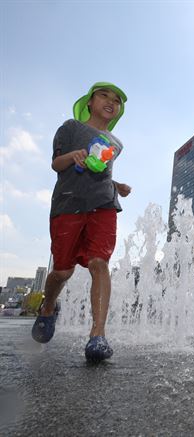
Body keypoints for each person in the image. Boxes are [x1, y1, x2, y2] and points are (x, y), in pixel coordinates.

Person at [31, 82, 132, 362]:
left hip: (104, 204)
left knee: (99, 263)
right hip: (69, 203)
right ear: (89, 101)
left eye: (117, 101)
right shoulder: (71, 127)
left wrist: (118, 184)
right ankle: (48, 307)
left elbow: (101, 171)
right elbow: (56, 164)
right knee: (62, 272)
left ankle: (97, 335)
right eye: (104, 96)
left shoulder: (116, 144)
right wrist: (72, 156)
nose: (111, 102)